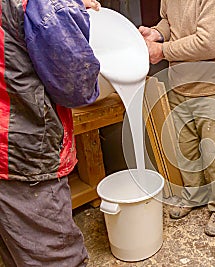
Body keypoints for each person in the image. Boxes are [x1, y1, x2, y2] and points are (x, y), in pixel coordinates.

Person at [0, 0, 100, 265]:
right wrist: (64, 13)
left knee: (16, 250)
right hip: (22, 150)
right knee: (55, 258)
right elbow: (78, 87)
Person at [139, 0, 215, 236]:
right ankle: (194, 196)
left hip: (213, 87)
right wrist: (157, 32)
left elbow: (209, 44)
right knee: (186, 150)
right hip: (180, 85)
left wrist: (162, 51)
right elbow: (169, 21)